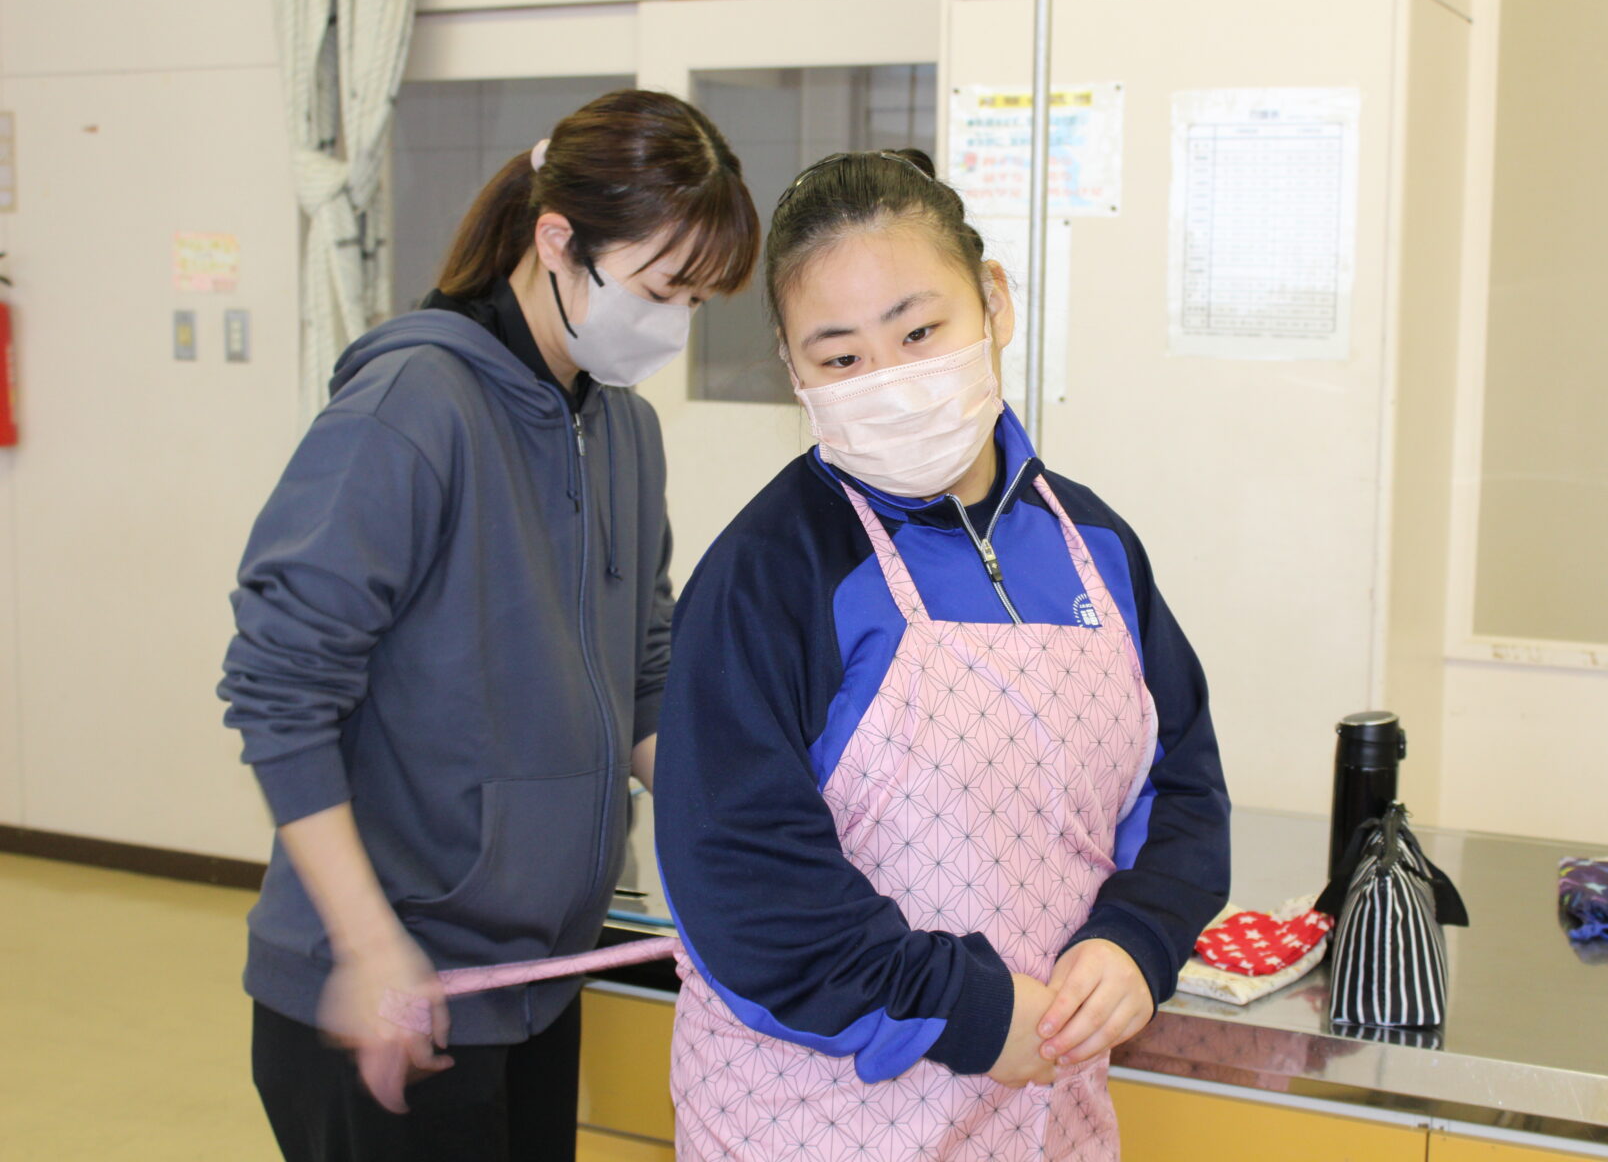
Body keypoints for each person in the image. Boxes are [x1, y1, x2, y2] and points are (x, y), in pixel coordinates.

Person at [654, 149, 1232, 1160]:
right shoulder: (769, 572)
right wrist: (959, 1006)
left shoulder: (1094, 551)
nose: (892, 380)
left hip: (1044, 1115)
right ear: (796, 372)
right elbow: (743, 879)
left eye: (921, 331)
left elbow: (1182, 792)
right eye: (841, 358)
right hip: (815, 1126)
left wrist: (1135, 940)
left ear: (994, 303)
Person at [219, 89, 757, 1162]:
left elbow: (642, 673)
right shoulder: (414, 407)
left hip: (533, 984)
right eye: (659, 289)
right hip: (387, 989)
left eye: (698, 301)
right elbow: (278, 687)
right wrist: (369, 949)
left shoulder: (625, 431)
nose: (674, 327)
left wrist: (746, 842)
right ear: (558, 241)